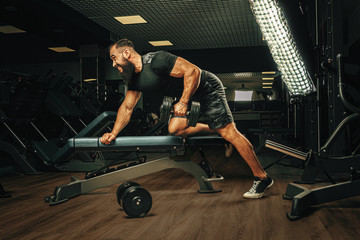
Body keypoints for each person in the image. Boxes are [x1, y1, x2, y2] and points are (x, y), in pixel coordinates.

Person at [101, 39, 273, 199]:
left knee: (229, 132)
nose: (114, 64)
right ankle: (218, 131)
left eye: (114, 58)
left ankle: (262, 177)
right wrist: (113, 133)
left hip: (206, 88)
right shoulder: (134, 79)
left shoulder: (157, 60)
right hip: (188, 94)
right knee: (175, 129)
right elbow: (127, 107)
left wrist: (183, 102)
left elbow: (193, 71)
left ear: (126, 53)